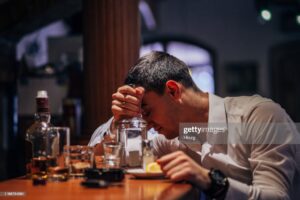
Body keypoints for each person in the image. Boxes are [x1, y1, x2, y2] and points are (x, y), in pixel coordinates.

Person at [88, 51, 300, 199]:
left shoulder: (260, 116)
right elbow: (104, 163)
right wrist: (119, 122)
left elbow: (277, 197)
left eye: (148, 111)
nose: (147, 124)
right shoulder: (186, 134)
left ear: (173, 91)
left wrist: (208, 179)